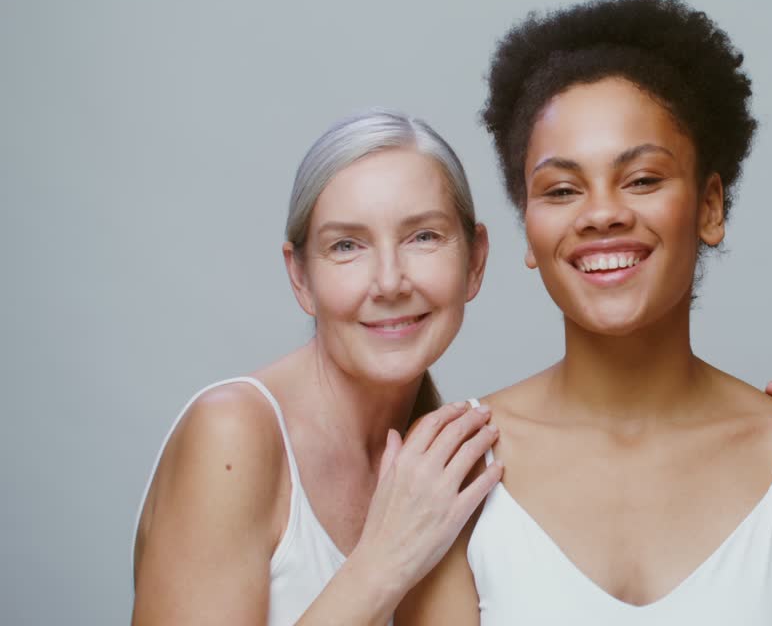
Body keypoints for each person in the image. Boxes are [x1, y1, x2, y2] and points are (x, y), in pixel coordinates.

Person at [398, 0, 772, 625]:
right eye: (562, 190)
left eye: (642, 179)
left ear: (709, 207)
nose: (602, 215)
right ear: (527, 230)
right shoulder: (455, 466)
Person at [132, 110, 503, 625]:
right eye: (346, 246)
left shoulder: (444, 464)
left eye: (423, 236)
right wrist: (384, 562)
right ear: (300, 277)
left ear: (475, 261)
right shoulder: (232, 433)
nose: (390, 282)